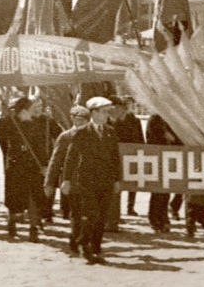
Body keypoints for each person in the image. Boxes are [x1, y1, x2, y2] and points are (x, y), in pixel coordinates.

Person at [50, 97, 121, 264]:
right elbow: (71, 158)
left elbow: (115, 158)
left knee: (102, 216)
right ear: (94, 113)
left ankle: (95, 248)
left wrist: (117, 179)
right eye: (103, 112)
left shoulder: (110, 132)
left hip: (106, 182)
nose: (106, 116)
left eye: (107, 112)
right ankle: (84, 244)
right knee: (91, 215)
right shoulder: (82, 133)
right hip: (87, 182)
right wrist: (66, 180)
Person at [0, 97, 56, 241]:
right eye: (30, 109)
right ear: (23, 111)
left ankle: (33, 228)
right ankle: (12, 223)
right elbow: (1, 135)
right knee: (15, 198)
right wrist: (10, 117)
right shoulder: (9, 123)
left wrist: (44, 165)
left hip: (33, 167)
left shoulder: (34, 125)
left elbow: (40, 147)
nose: (33, 112)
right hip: (16, 166)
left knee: (33, 198)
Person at [45, 104, 90, 254]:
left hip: (90, 182)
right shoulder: (65, 137)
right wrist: (49, 182)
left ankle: (84, 240)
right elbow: (55, 160)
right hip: (71, 181)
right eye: (77, 119)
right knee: (76, 213)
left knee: (89, 213)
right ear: (72, 119)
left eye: (84, 119)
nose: (81, 122)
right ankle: (75, 239)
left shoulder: (93, 136)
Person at [106, 95, 144, 228]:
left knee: (131, 183)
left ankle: (130, 207)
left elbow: (140, 139)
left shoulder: (134, 120)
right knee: (115, 188)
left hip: (131, 156)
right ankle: (114, 216)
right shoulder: (108, 121)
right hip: (113, 159)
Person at [145, 113, 180, 233]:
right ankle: (154, 218)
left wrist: (174, 140)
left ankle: (163, 217)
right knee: (157, 191)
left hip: (170, 158)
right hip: (158, 158)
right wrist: (164, 136)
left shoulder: (172, 118)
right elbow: (151, 139)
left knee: (166, 191)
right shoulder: (155, 119)